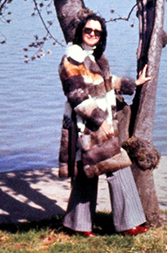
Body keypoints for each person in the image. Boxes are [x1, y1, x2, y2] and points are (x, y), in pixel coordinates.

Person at [58, 13, 151, 237]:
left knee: (85, 173)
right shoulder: (72, 59)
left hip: (94, 124)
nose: (92, 34)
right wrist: (101, 121)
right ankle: (128, 224)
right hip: (87, 125)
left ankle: (76, 224)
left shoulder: (96, 58)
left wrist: (131, 83)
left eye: (97, 32)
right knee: (117, 166)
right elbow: (78, 97)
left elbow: (103, 84)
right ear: (80, 32)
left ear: (101, 36)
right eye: (88, 30)